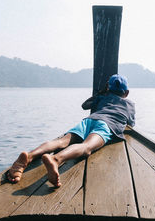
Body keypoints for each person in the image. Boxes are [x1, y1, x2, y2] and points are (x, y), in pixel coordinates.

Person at [7, 74, 135, 187]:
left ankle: (29, 156)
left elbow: (85, 105)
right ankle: (56, 159)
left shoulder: (103, 97)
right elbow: (131, 123)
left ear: (108, 88)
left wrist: (101, 93)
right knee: (86, 147)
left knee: (61, 141)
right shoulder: (129, 104)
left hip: (89, 121)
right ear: (127, 93)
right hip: (107, 125)